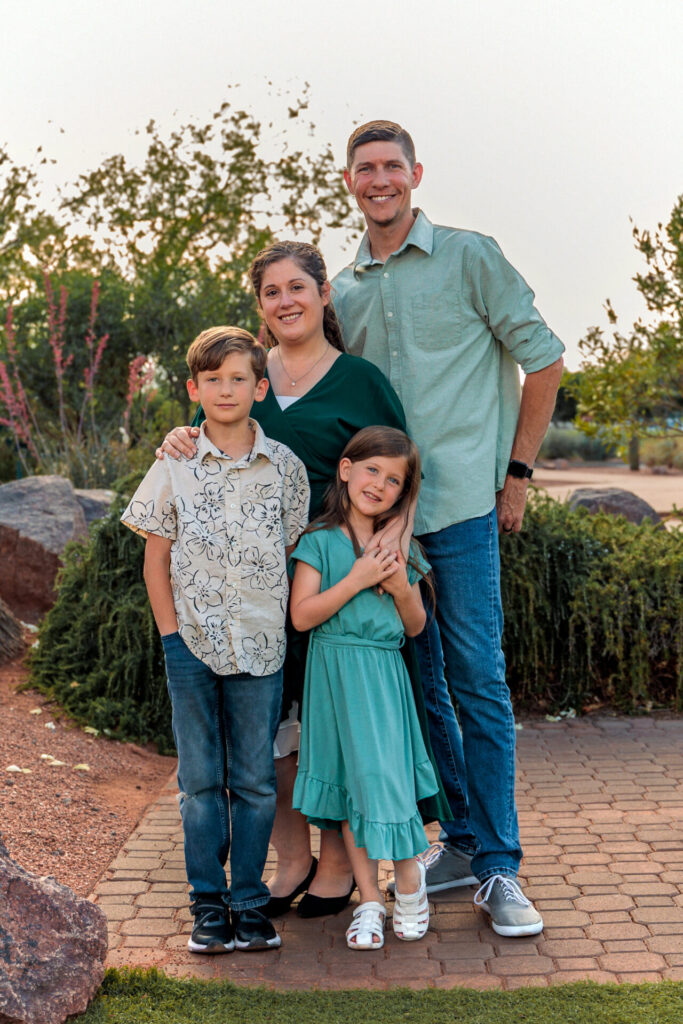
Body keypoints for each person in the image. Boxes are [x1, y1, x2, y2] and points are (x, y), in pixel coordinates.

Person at [155, 242, 447, 918]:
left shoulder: (359, 381)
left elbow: (398, 471)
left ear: (322, 294)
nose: (285, 301)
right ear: (259, 305)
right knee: (269, 731)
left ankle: (342, 864)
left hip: (339, 575)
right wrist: (178, 436)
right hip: (250, 587)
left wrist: (391, 549)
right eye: (271, 292)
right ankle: (292, 857)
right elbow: (209, 448)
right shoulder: (247, 377)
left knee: (337, 722)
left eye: (297, 287)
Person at [332, 120, 565, 937]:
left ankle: (500, 869)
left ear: (415, 174)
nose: (379, 180)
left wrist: (518, 473)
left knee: (477, 682)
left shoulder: (471, 256)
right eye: (365, 169)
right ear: (349, 182)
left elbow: (544, 358)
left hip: (463, 507)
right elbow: (310, 384)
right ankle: (460, 841)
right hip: (388, 528)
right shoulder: (344, 288)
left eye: (392, 166)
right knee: (424, 689)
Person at [122, 327, 310, 954]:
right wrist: (172, 639)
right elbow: (156, 563)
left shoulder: (283, 468)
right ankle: (208, 904)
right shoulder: (172, 463)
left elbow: (288, 554)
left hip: (260, 646)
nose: (225, 390)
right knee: (201, 783)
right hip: (191, 647)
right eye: (212, 380)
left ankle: (250, 904)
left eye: (238, 379)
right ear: (193, 389)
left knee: (256, 781)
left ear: (260, 387)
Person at [290, 426, 437, 950]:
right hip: (332, 681)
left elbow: (416, 626)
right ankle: (370, 900)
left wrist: (398, 586)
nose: (379, 483)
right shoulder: (318, 541)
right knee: (352, 790)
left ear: (403, 493)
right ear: (347, 470)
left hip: (379, 681)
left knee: (386, 782)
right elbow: (302, 616)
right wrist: (355, 579)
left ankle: (412, 888)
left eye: (393, 479)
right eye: (372, 469)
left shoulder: (401, 549)